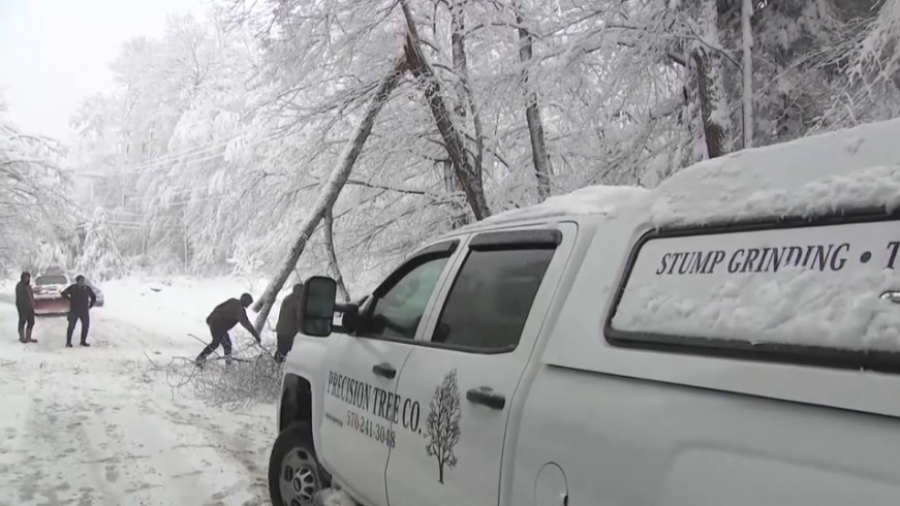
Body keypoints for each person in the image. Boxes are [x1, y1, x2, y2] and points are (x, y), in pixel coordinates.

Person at [195, 293, 261, 367]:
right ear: (245, 301)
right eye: (249, 303)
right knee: (224, 344)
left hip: (214, 320)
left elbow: (219, 307)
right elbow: (247, 324)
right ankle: (226, 364)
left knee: (219, 343)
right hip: (218, 324)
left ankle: (201, 358)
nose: (248, 305)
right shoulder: (239, 310)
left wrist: (210, 317)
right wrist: (256, 336)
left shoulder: (233, 301)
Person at [61, 275, 97, 348]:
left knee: (85, 326)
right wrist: (70, 299)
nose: (82, 283)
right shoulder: (73, 288)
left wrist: (90, 305)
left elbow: (93, 296)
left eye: (83, 281)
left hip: (84, 310)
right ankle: (68, 342)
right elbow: (63, 293)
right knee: (71, 326)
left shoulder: (87, 288)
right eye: (80, 281)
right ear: (77, 281)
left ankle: (83, 341)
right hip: (74, 310)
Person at [274, 283, 304, 363]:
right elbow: (300, 318)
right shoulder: (298, 300)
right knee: (288, 354)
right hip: (289, 333)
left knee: (281, 351)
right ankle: (284, 368)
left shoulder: (287, 298)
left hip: (280, 331)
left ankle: (276, 366)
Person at [15, 271, 36, 344]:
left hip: (30, 307)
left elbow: (31, 296)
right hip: (22, 307)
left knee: (31, 322)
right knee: (22, 321)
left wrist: (32, 303)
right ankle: (22, 337)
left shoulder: (28, 286)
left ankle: (28, 337)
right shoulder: (20, 286)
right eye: (25, 277)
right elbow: (21, 298)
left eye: (28, 277)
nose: (27, 279)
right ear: (22, 278)